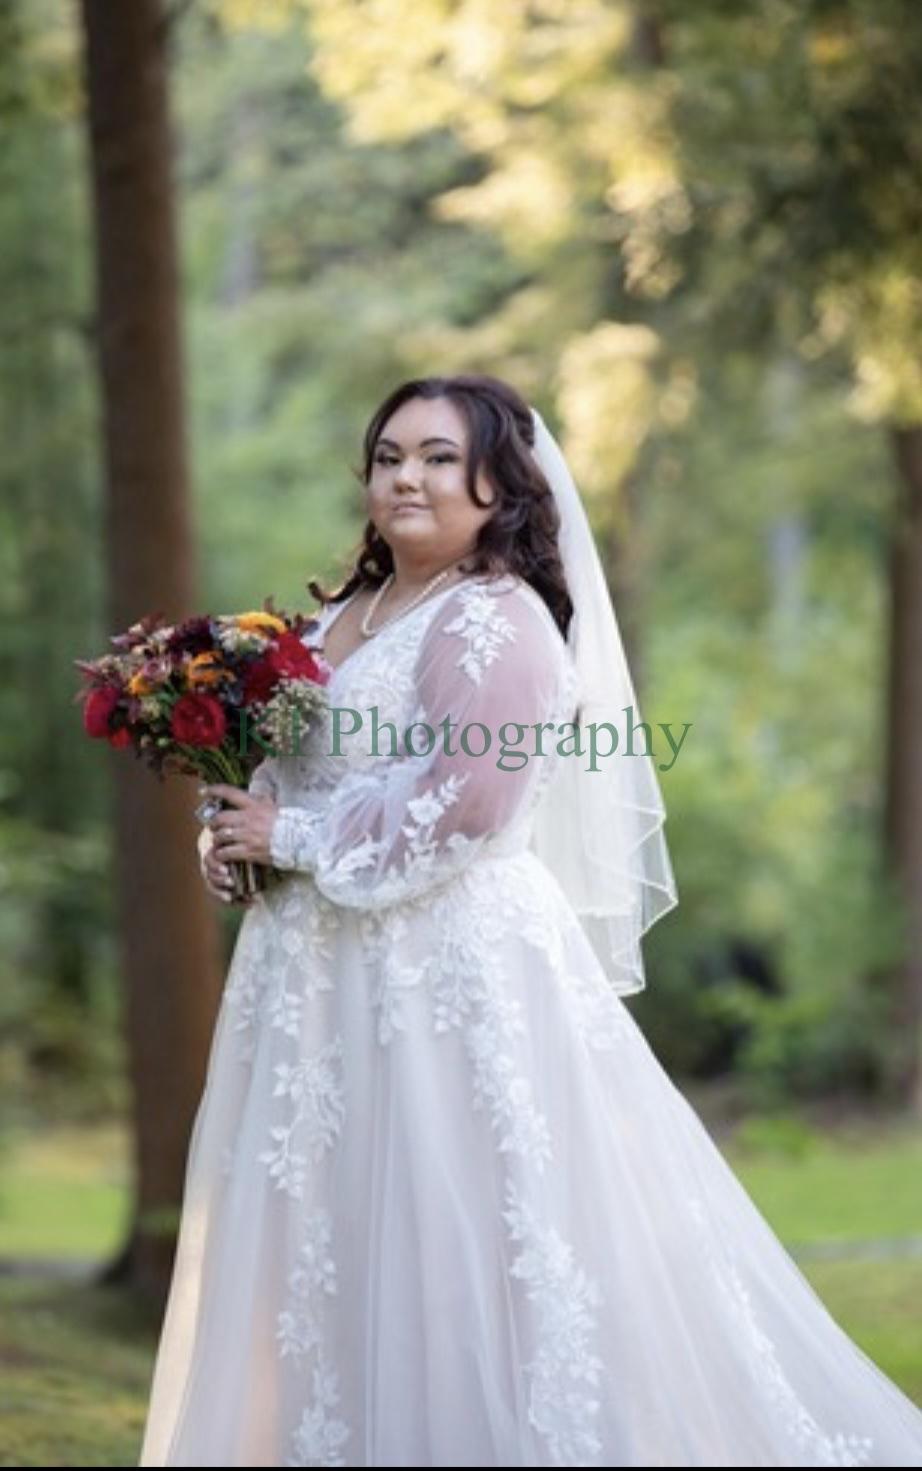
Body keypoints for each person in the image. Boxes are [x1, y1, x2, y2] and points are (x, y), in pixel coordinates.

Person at [139, 373, 922, 1467]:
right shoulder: (337, 617)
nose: (406, 477)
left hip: (440, 973)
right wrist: (237, 840)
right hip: (315, 980)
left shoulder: (495, 618)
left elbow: (472, 803)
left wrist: (296, 839)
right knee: (327, 1235)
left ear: (498, 482)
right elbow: (293, 777)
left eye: (439, 457)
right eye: (389, 456)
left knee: (456, 1230)